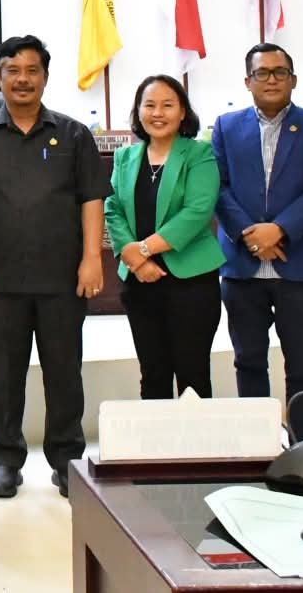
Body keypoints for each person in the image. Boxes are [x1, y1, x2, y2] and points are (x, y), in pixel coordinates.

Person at [0, 34, 106, 499]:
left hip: (62, 277)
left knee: (64, 372)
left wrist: (92, 259)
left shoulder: (73, 134)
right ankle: (6, 460)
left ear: (45, 76)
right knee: (3, 375)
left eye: (32, 71)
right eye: (13, 71)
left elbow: (91, 200)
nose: (23, 79)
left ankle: (66, 460)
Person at [210, 43, 303, 438]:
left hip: (298, 263)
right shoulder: (226, 126)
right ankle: (259, 442)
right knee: (248, 360)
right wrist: (249, 234)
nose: (271, 80)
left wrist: (279, 230)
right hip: (242, 264)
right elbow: (218, 186)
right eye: (261, 73)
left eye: (279, 72)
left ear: (293, 80)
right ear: (247, 81)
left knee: (302, 364)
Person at [105, 75, 223, 402]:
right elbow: (112, 208)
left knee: (192, 375)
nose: (158, 113)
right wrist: (136, 261)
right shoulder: (125, 158)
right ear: (138, 111)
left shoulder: (199, 154)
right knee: (152, 374)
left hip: (191, 282)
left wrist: (143, 249)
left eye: (167, 105)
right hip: (140, 283)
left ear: (182, 112)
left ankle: (194, 438)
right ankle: (154, 438)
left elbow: (197, 211)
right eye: (150, 105)